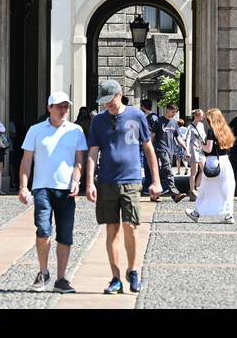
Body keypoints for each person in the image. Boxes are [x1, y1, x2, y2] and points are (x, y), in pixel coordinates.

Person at [86, 79, 161, 294]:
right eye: (104, 102)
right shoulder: (99, 121)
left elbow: (148, 148)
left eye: (109, 101)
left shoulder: (136, 115)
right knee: (112, 230)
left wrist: (155, 181)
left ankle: (133, 270)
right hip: (107, 181)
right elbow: (93, 152)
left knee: (131, 226)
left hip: (131, 180)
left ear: (119, 95)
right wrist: (90, 181)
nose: (106, 105)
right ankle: (115, 277)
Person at [18, 91, 88, 293]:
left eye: (66, 106)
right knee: (43, 230)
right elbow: (26, 160)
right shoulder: (36, 130)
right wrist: (23, 186)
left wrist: (77, 181)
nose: (64, 109)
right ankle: (43, 272)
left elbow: (79, 161)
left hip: (66, 190)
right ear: (49, 108)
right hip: (42, 188)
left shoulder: (75, 131)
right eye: (60, 106)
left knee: (65, 236)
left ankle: (61, 278)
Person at [186, 108, 236, 224]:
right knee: (227, 188)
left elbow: (208, 149)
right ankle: (228, 215)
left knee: (205, 188)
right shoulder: (225, 130)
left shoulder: (211, 131)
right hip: (225, 161)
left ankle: (196, 213)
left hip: (212, 160)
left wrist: (200, 144)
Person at [143, 100, 185, 203]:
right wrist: (149, 149)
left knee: (161, 173)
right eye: (173, 111)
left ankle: (154, 194)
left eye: (176, 112)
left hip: (170, 151)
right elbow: (152, 135)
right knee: (169, 171)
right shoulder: (158, 121)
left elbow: (177, 137)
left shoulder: (174, 122)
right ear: (168, 110)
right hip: (160, 150)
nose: (174, 114)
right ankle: (175, 193)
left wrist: (185, 147)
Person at [185, 108, 207, 196]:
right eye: (201, 117)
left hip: (200, 149)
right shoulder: (190, 126)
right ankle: (192, 189)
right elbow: (187, 139)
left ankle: (197, 186)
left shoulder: (201, 125)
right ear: (196, 116)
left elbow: (204, 136)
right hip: (193, 149)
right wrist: (187, 151)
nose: (202, 118)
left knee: (204, 169)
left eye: (202, 117)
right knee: (194, 171)